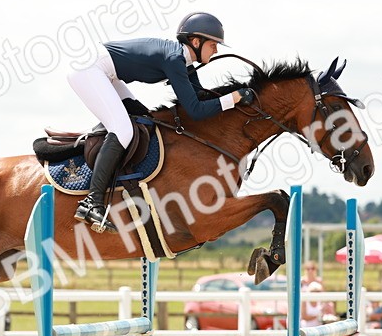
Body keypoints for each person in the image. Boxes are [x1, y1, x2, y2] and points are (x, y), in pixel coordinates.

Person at [66, 12, 256, 233]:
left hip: (106, 72)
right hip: (89, 69)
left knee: (142, 117)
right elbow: (194, 111)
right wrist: (233, 98)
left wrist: (235, 98)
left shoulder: (184, 62)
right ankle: (92, 201)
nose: (216, 50)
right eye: (213, 45)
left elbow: (201, 98)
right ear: (196, 42)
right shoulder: (174, 59)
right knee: (123, 130)